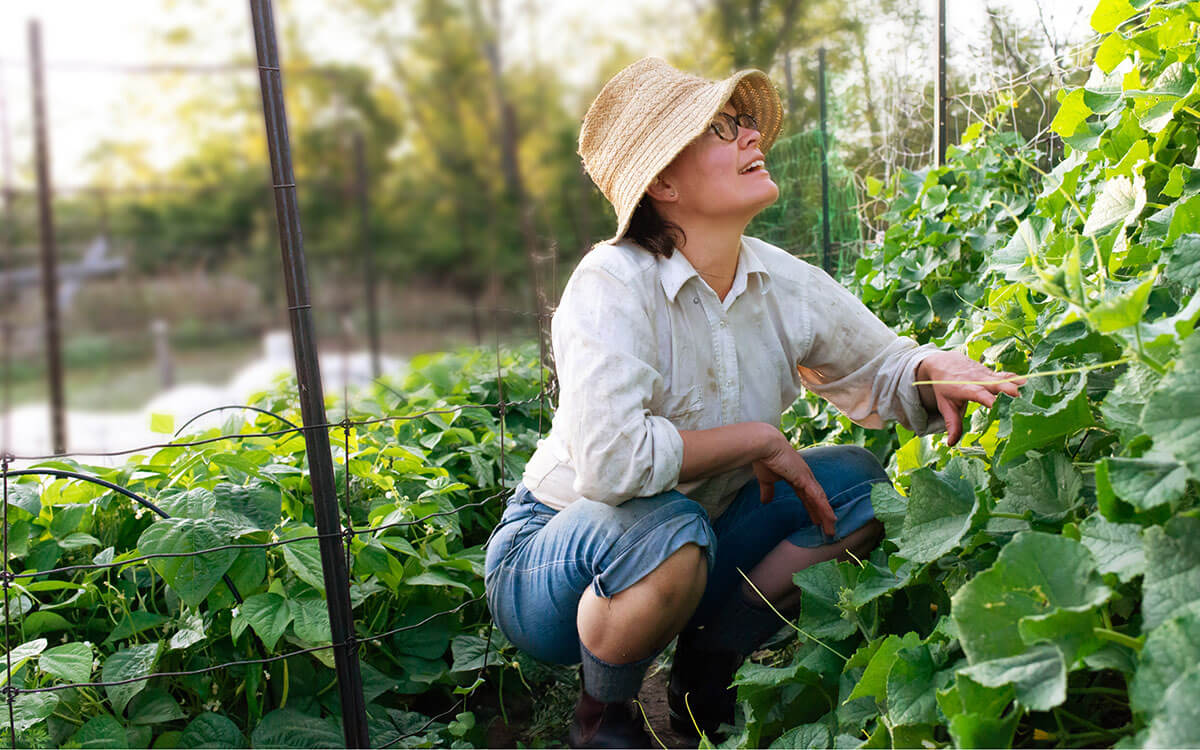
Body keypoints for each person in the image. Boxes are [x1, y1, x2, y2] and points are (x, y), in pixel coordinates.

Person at [483, 57, 1023, 749]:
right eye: (718, 128)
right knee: (663, 527)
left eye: (743, 122)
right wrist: (757, 441)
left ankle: (708, 662)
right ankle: (603, 716)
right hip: (555, 563)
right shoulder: (612, 283)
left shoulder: (780, 280)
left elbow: (880, 365)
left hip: (698, 535)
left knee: (858, 487)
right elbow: (612, 467)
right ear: (664, 182)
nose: (748, 136)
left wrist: (931, 368)